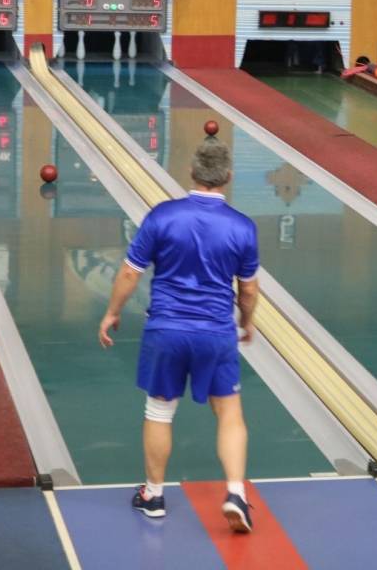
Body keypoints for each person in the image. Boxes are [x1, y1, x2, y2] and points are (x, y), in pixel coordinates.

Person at [99, 137, 260, 533]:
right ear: (228, 176)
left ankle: (153, 496)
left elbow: (129, 273)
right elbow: (249, 289)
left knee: (159, 410)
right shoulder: (242, 227)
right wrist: (248, 321)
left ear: (191, 172)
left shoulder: (163, 216)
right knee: (230, 413)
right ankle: (236, 493)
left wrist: (112, 312)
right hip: (216, 332)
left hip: (167, 330)